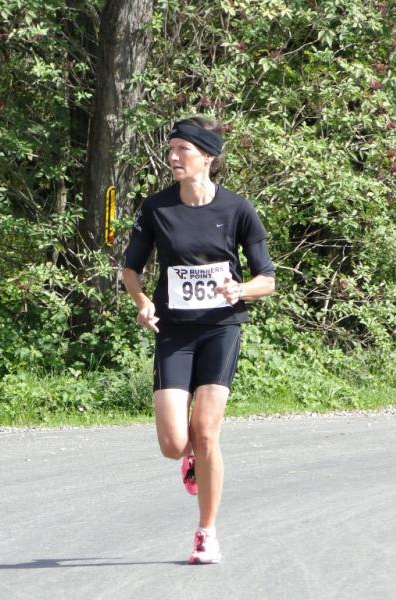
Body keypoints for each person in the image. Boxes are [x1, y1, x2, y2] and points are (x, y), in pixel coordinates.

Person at [122, 116, 275, 564]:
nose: (172, 157)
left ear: (207, 156)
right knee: (174, 443)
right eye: (170, 149)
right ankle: (190, 458)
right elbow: (130, 268)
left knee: (206, 432)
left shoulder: (237, 210)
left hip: (220, 329)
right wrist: (142, 301)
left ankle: (206, 533)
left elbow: (267, 279)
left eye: (182, 150)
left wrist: (240, 290)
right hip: (173, 331)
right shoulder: (156, 208)